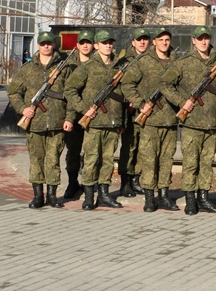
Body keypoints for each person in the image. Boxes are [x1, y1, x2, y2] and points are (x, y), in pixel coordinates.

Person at [161, 26, 216, 216]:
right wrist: (182, 103)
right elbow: (165, 84)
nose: (203, 42)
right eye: (200, 39)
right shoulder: (183, 63)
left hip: (212, 123)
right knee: (191, 163)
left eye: (206, 38)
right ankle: (191, 200)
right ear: (193, 40)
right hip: (191, 122)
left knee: (207, 163)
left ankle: (204, 198)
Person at [7, 31, 74, 209]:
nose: (46, 46)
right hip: (35, 124)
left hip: (56, 123)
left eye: (49, 43)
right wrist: (23, 109)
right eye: (43, 43)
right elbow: (13, 93)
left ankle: (52, 196)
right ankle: (38, 196)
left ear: (53, 45)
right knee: (36, 160)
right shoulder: (27, 70)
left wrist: (69, 118)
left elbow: (71, 96)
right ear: (38, 45)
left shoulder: (64, 68)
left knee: (53, 160)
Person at [64, 30, 124, 210]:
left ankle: (104, 194)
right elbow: (70, 89)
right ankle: (89, 196)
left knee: (108, 160)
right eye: (104, 42)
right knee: (91, 159)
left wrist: (122, 120)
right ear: (96, 45)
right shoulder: (87, 67)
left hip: (113, 122)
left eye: (110, 42)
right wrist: (84, 109)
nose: (108, 45)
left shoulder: (118, 67)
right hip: (94, 122)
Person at [121, 27, 179, 212]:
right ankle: (149, 197)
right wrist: (140, 103)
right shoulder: (144, 61)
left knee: (166, 159)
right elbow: (127, 84)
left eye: (167, 40)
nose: (164, 43)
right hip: (150, 120)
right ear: (154, 42)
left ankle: (163, 195)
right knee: (149, 159)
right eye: (160, 39)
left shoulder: (177, 62)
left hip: (170, 119)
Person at [61, 29, 95, 200]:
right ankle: (72, 183)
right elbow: (66, 93)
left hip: (94, 115)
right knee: (73, 151)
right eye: (82, 42)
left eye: (88, 42)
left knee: (92, 152)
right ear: (77, 45)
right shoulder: (69, 66)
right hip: (73, 116)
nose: (85, 45)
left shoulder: (99, 63)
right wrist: (68, 117)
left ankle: (90, 184)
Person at [117, 27, 151, 198]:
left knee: (142, 148)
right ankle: (126, 181)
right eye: (139, 40)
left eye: (145, 39)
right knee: (129, 147)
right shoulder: (124, 61)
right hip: (129, 111)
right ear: (133, 42)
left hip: (147, 110)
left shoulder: (153, 59)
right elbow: (118, 84)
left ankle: (136, 179)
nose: (142, 42)